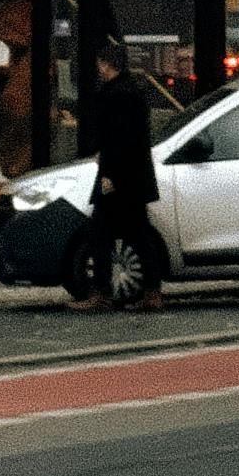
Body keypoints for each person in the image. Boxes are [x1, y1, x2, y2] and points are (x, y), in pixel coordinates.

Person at [76, 36, 165, 312]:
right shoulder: (131, 92)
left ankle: (102, 292)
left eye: (100, 64)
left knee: (100, 232)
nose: (98, 69)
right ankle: (151, 292)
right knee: (137, 233)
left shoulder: (118, 95)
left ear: (106, 65)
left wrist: (108, 174)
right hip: (133, 179)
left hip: (120, 178)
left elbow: (119, 140)